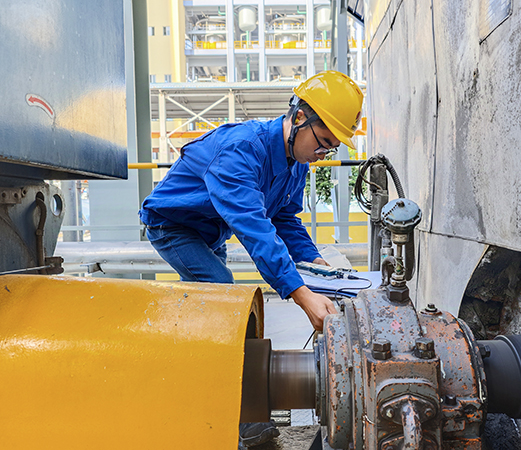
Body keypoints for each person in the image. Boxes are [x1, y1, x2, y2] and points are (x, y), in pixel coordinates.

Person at [139, 70, 363, 446]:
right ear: (298, 117)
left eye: (332, 147)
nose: (323, 153)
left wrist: (314, 265)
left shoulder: (295, 163)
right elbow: (256, 229)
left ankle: (218, 393)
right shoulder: (242, 150)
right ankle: (231, 418)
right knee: (224, 298)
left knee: (214, 314)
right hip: (174, 226)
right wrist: (300, 293)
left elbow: (284, 219)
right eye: (323, 141)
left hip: (210, 227)